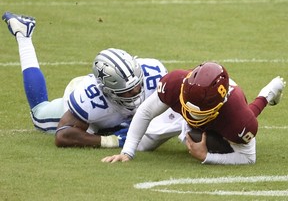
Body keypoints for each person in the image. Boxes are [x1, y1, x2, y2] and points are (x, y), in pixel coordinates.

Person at [2, 11, 184, 150]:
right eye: (127, 92)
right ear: (108, 91)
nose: (136, 93)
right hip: (83, 99)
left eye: (138, 86)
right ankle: (23, 34)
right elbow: (62, 135)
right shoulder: (91, 99)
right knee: (39, 115)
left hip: (114, 112)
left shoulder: (155, 72)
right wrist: (111, 141)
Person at [102, 62, 286, 164]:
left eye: (200, 113)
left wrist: (207, 157)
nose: (193, 116)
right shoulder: (175, 83)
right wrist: (127, 152)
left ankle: (266, 95)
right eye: (188, 109)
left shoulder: (237, 117)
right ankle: (268, 93)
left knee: (205, 134)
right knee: (141, 145)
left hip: (225, 116)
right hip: (185, 112)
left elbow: (248, 158)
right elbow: (146, 111)